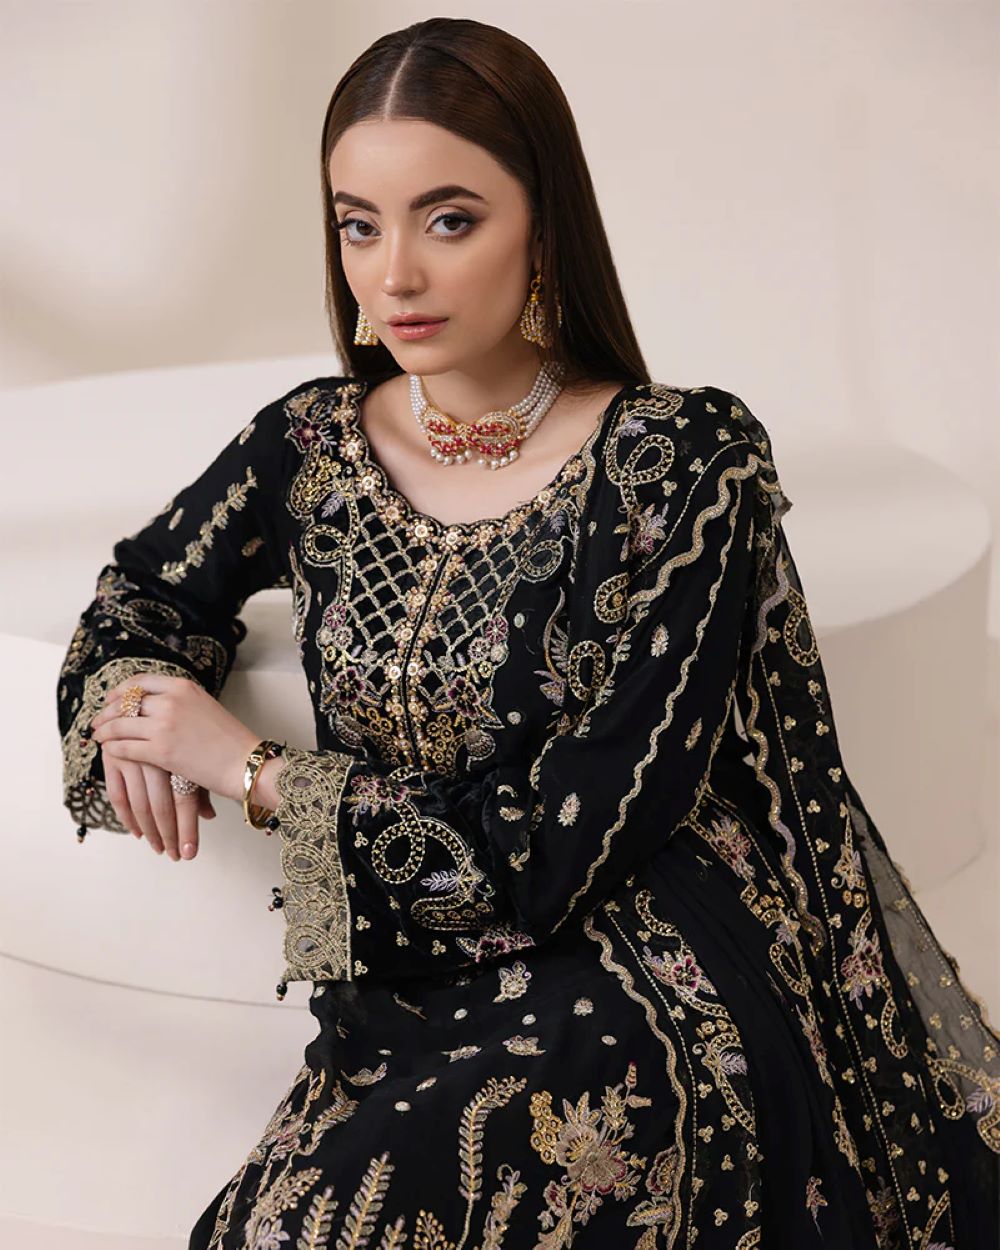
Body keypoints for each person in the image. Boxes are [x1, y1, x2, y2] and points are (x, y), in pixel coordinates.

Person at [57, 17, 999, 1250]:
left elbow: (570, 836)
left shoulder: (680, 462)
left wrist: (251, 768)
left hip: (642, 970)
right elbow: (142, 596)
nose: (395, 274)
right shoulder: (309, 447)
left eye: (448, 219)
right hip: (407, 973)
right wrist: (134, 700)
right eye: (358, 224)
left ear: (543, 225)